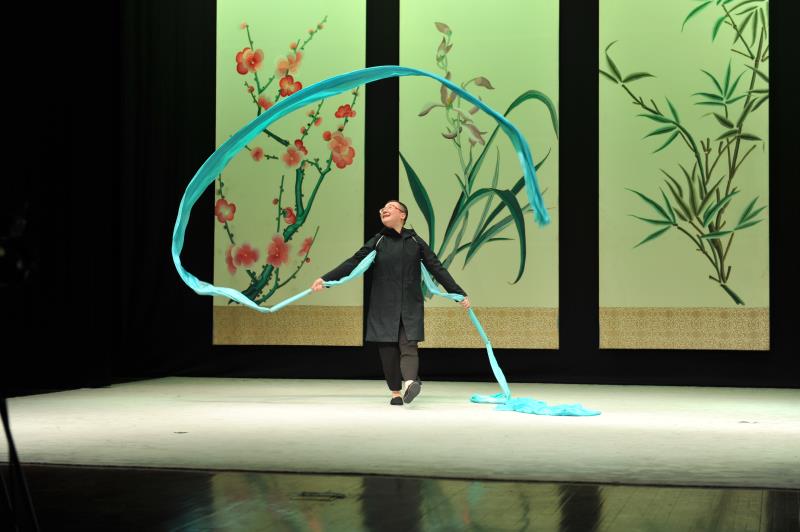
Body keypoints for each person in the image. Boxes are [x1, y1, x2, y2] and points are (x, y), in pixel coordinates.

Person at [311, 200, 470, 406]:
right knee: (388, 350)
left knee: (409, 344)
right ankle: (396, 392)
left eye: (391, 207)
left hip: (409, 304)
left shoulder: (415, 241)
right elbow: (354, 262)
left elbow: (437, 268)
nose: (384, 210)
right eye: (382, 209)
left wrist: (458, 294)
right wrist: (326, 280)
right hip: (383, 305)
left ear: (403, 215)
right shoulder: (378, 241)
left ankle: (410, 383)